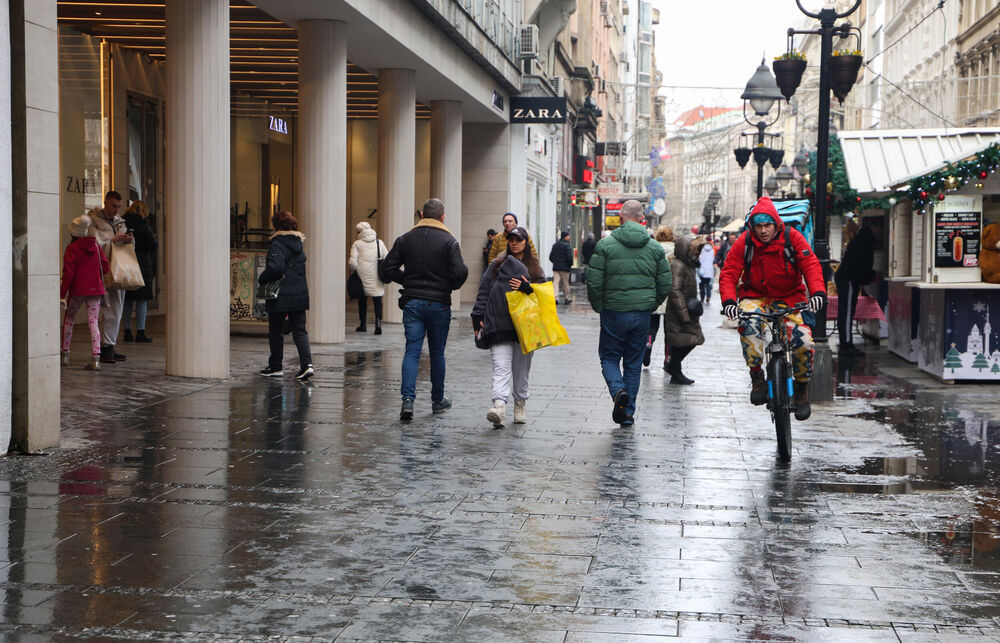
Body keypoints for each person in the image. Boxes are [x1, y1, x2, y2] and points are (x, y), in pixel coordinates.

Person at [719, 196, 826, 421]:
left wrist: (817, 292)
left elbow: (810, 264)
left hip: (789, 298)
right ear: (752, 226)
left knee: (804, 342)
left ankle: (801, 389)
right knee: (749, 325)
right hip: (756, 296)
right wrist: (729, 301)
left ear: (776, 224)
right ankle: (756, 375)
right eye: (758, 226)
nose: (763, 230)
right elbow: (729, 271)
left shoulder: (792, 237)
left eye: (767, 225)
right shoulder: (745, 241)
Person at [381, 198, 469, 420]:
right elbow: (460, 272)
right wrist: (447, 286)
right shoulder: (449, 241)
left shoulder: (405, 239)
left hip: (412, 302)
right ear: (442, 217)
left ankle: (407, 401)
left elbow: (388, 268)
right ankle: (437, 400)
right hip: (439, 303)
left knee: (412, 350)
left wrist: (407, 280)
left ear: (421, 215)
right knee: (437, 352)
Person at [586, 200, 672, 427]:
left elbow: (594, 281)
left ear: (621, 218)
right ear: (642, 219)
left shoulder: (605, 245)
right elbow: (665, 282)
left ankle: (618, 391)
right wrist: (651, 304)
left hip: (613, 311)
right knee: (633, 363)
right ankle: (628, 412)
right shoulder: (654, 248)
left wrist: (599, 305)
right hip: (641, 314)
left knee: (609, 356)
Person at [473, 226, 547, 428]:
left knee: (521, 370)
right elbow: (484, 290)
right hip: (499, 324)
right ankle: (499, 407)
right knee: (501, 368)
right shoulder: (497, 264)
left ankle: (520, 404)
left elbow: (543, 295)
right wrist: (478, 316)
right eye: (511, 239)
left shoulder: (534, 268)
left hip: (526, 328)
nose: (514, 243)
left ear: (526, 242)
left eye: (518, 239)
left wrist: (526, 287)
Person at [258, 211, 313, 381]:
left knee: (276, 330)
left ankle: (276, 367)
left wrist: (262, 278)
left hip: (281, 294)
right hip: (299, 293)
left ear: (276, 226)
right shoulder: (298, 243)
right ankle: (307, 365)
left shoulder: (277, 243)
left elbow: (275, 267)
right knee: (299, 330)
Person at [87, 191, 132, 363]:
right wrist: (114, 239)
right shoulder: (94, 220)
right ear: (105, 202)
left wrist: (128, 239)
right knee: (104, 308)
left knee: (117, 308)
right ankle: (102, 348)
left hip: (118, 269)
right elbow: (93, 244)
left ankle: (109, 345)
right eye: (114, 206)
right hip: (101, 269)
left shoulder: (120, 222)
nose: (116, 210)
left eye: (119, 207)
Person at [60, 215, 109, 371]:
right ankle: (96, 357)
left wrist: (62, 294)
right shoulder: (95, 246)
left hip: (77, 290)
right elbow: (106, 267)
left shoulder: (72, 249)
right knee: (93, 321)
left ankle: (65, 353)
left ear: (73, 233)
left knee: (69, 319)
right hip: (95, 289)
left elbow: (68, 274)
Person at [834, 220, 882, 357]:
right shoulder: (865, 242)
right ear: (872, 227)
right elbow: (860, 264)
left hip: (848, 277)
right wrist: (870, 275)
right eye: (878, 228)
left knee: (846, 311)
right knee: (847, 311)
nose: (879, 232)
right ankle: (846, 345)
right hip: (849, 278)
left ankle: (846, 344)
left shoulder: (861, 239)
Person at [663, 234, 706, 384]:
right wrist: (684, 314)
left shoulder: (687, 265)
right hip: (679, 311)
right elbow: (675, 290)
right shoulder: (678, 265)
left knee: (689, 339)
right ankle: (675, 369)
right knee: (684, 340)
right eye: (696, 250)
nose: (698, 254)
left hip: (687, 310)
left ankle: (674, 367)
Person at [121, 200, 157, 343]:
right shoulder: (143, 225)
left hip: (127, 263)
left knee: (127, 300)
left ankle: (127, 332)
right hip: (142, 265)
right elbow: (153, 244)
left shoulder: (123, 223)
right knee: (141, 300)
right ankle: (140, 331)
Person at [349, 221, 389, 335]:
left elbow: (353, 262)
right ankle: (378, 323)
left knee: (362, 300)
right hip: (377, 274)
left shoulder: (357, 244)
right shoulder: (379, 242)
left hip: (362, 275)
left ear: (359, 232)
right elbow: (387, 257)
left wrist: (354, 270)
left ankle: (363, 324)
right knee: (377, 300)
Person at [644, 226, 675, 367]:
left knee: (652, 326)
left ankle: (648, 343)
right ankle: (668, 359)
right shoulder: (677, 250)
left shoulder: (652, 248)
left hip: (655, 293)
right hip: (672, 294)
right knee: (670, 330)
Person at [549, 229, 574, 304]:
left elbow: (551, 257)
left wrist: (555, 262)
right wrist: (570, 264)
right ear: (565, 237)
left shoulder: (555, 245)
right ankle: (567, 298)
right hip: (565, 268)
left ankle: (555, 297)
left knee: (555, 282)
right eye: (568, 236)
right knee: (565, 283)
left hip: (556, 267)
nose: (569, 237)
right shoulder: (567, 246)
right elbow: (569, 257)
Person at [697, 237, 715, 304]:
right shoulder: (712, 251)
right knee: (708, 285)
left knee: (702, 284)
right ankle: (708, 296)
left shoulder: (702, 250)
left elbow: (700, 259)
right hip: (709, 270)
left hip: (702, 269)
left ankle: (702, 297)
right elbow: (713, 259)